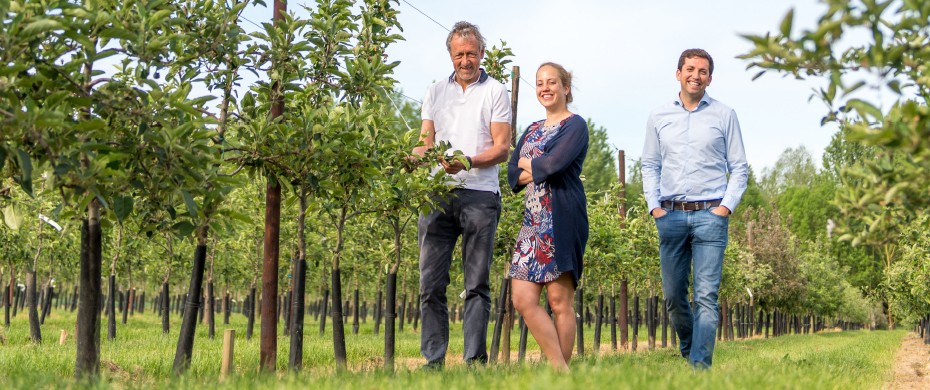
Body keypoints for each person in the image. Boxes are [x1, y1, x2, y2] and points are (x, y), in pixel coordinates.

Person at [410, 21, 512, 368]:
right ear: (450, 55)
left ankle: (473, 361)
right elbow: (426, 143)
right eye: (459, 54)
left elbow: (502, 149)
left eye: (470, 53)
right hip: (437, 194)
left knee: (476, 283)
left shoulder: (496, 91)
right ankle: (434, 360)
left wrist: (467, 160)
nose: (465, 60)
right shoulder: (435, 91)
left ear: (482, 54)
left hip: (480, 196)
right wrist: (406, 159)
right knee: (430, 283)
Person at [641, 48, 749, 369]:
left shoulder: (724, 115)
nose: (695, 76)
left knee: (706, 298)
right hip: (670, 215)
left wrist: (725, 208)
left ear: (710, 78)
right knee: (674, 298)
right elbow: (650, 164)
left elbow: (739, 168)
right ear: (678, 73)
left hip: (711, 215)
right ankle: (690, 349)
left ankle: (700, 369)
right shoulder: (659, 116)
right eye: (690, 69)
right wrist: (654, 207)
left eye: (702, 71)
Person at [507, 62, 588, 371]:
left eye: (552, 82)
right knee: (523, 299)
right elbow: (513, 174)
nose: (545, 88)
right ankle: (562, 371)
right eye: (540, 83)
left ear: (565, 88)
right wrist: (534, 165)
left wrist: (533, 163)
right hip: (533, 223)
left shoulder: (575, 125)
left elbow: (554, 166)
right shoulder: (531, 129)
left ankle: (558, 376)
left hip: (563, 218)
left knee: (559, 301)